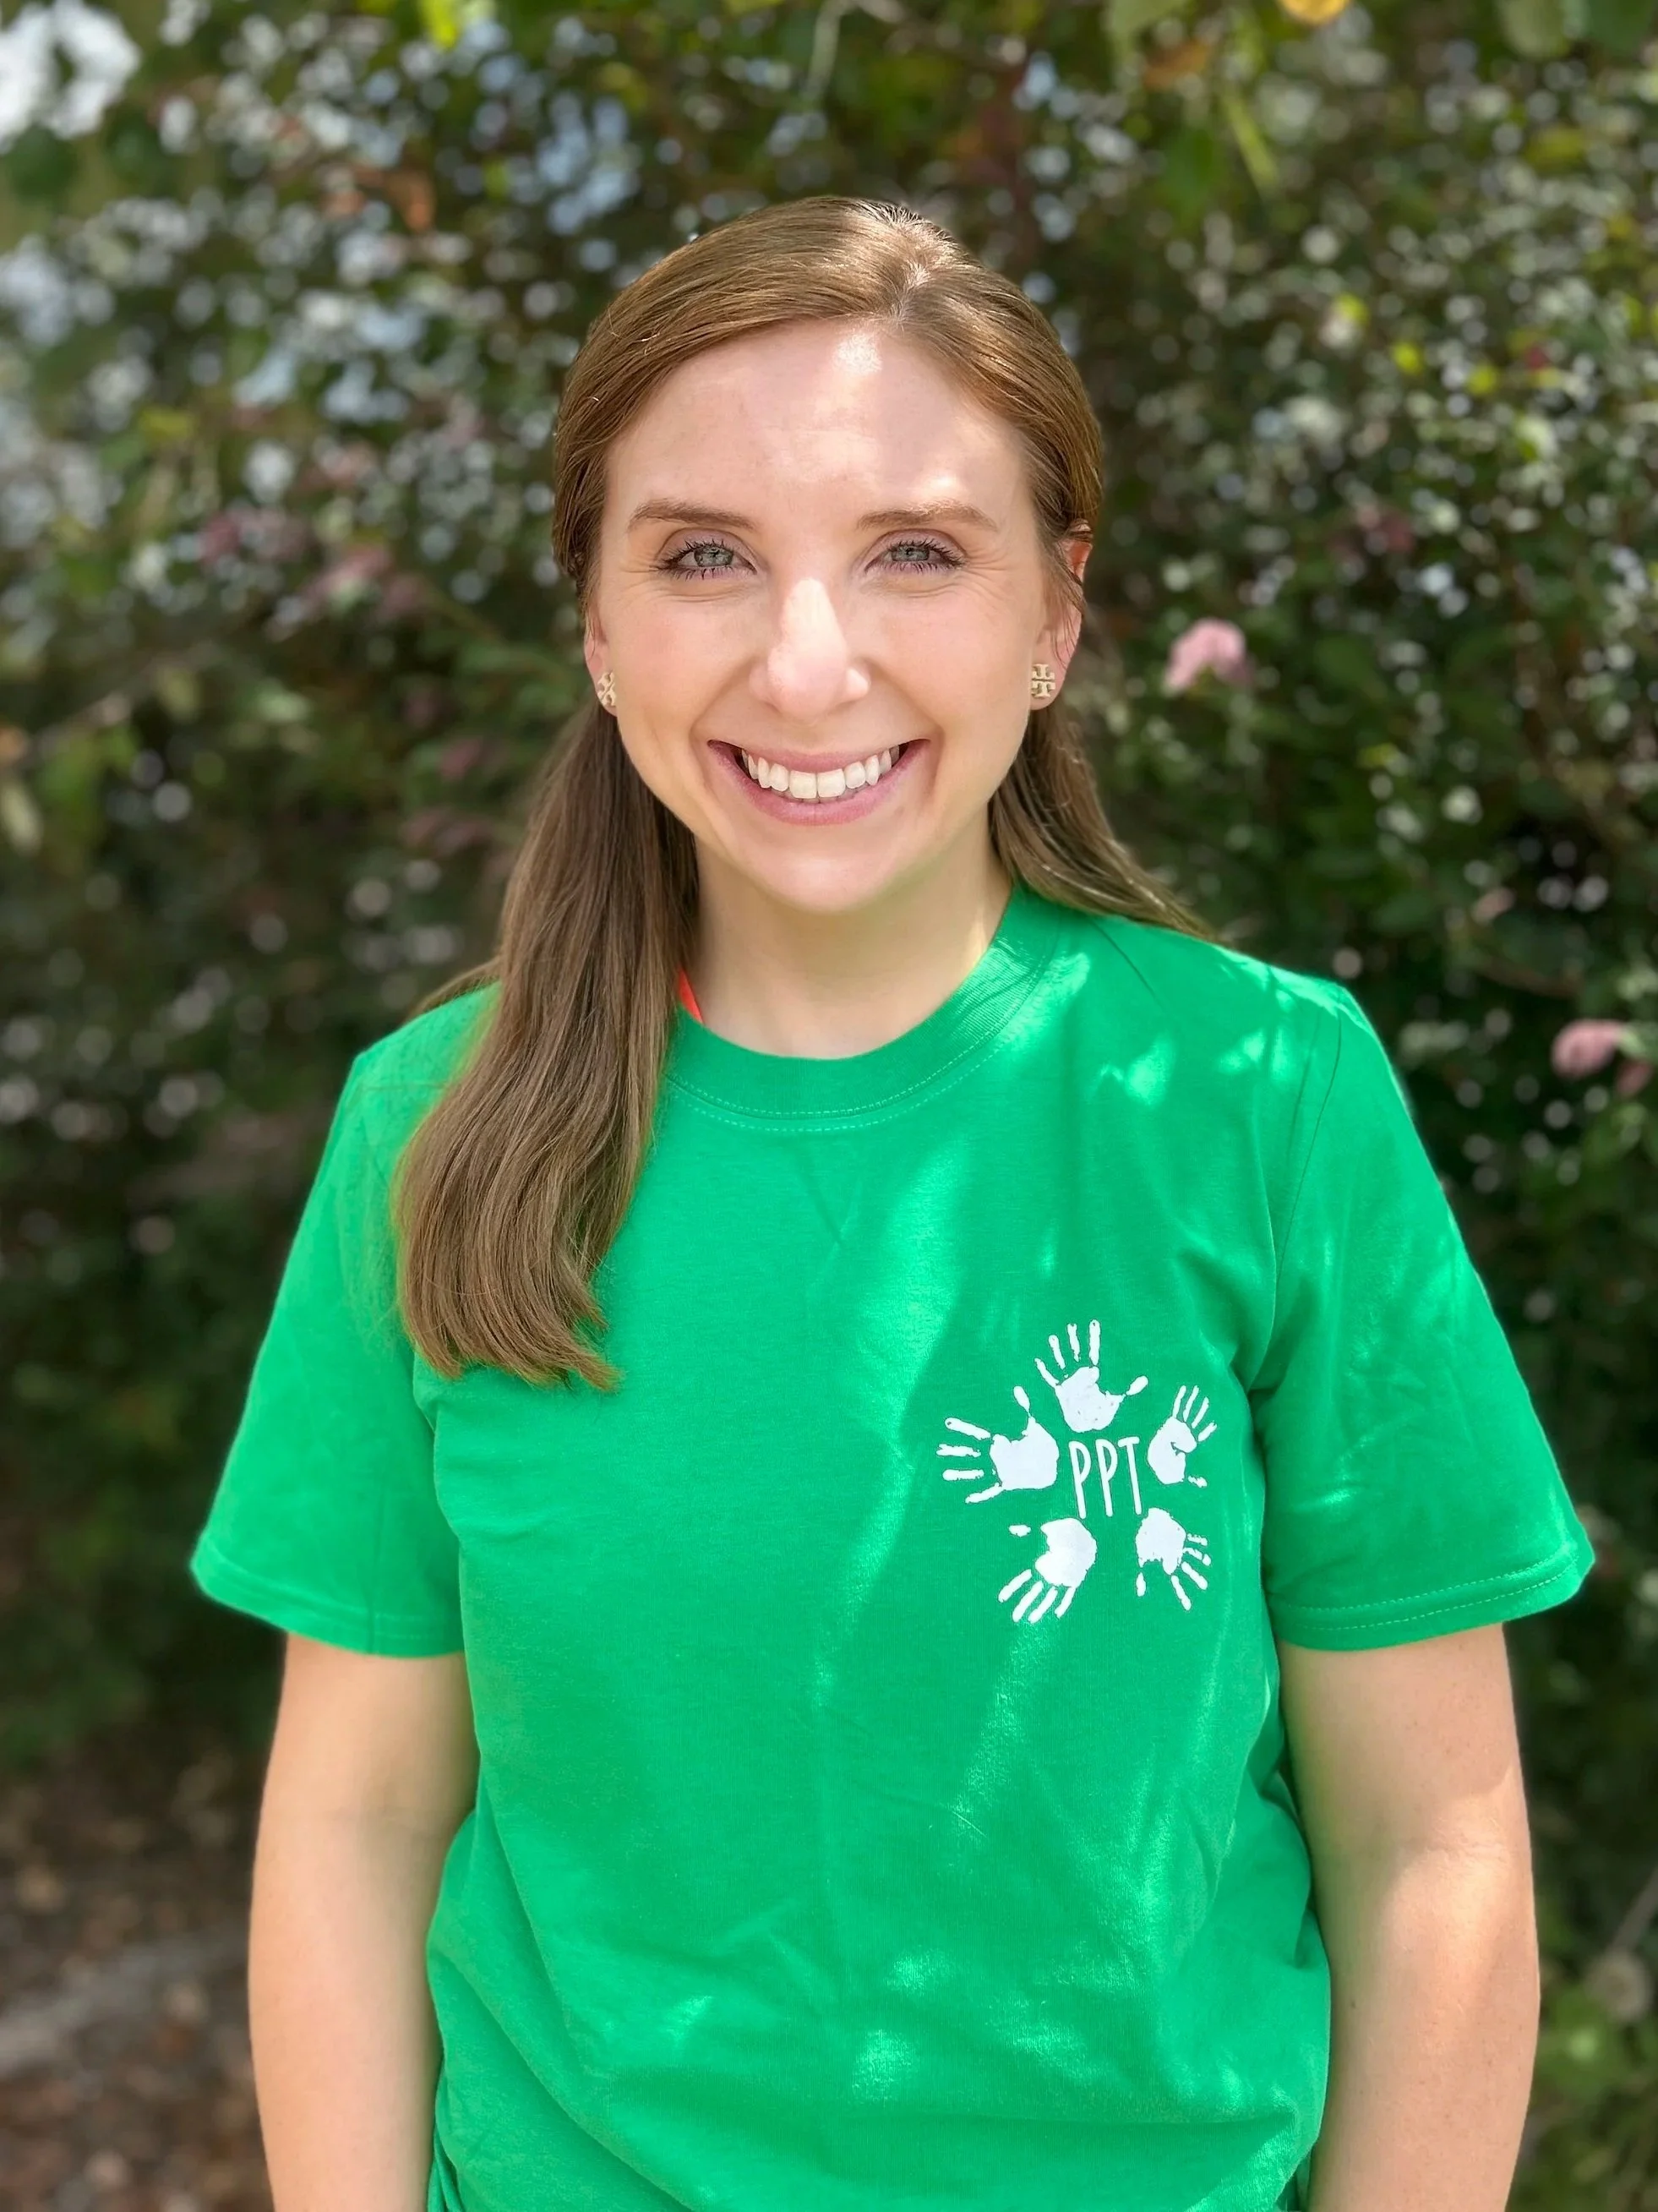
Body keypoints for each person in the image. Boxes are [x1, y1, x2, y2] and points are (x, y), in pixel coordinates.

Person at [190, 197, 1593, 2212]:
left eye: (916, 551)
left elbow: (1429, 1846)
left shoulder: (1260, 1095)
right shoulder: (437, 1125)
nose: (811, 658)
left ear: (1055, 612)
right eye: (701, 558)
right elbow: (358, 1819)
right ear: (594, 621)